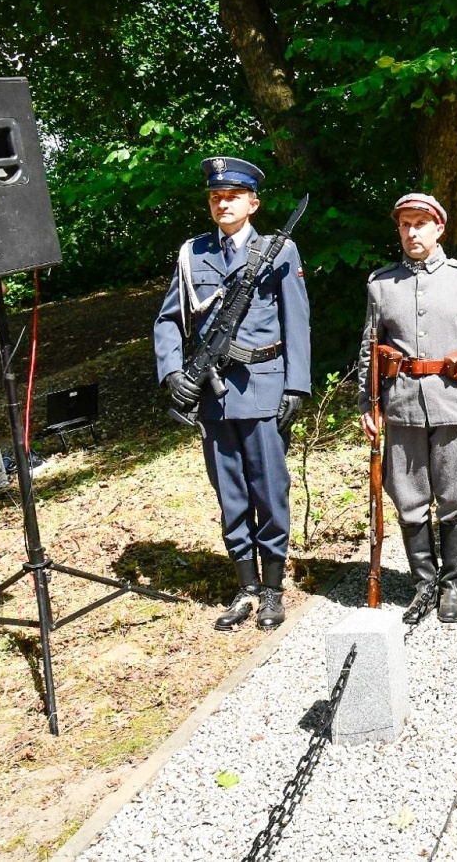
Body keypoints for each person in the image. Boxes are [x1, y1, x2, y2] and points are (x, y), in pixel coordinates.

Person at [153, 157, 311, 631]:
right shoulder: (192, 254)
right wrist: (172, 374)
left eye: (233, 196)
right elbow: (167, 321)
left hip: (262, 387)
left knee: (269, 489)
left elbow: (296, 320)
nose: (223, 203)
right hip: (212, 397)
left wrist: (297, 385)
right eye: (216, 197)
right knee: (230, 493)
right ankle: (246, 585)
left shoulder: (278, 251)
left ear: (252, 203)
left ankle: (273, 589)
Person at [358, 194, 457, 626]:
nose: (412, 232)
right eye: (404, 225)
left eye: (421, 223)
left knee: (455, 500)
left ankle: (454, 584)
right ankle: (424, 582)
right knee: (409, 499)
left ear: (439, 228)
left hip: (454, 405)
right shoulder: (382, 284)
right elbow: (369, 350)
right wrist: (368, 404)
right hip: (401, 406)